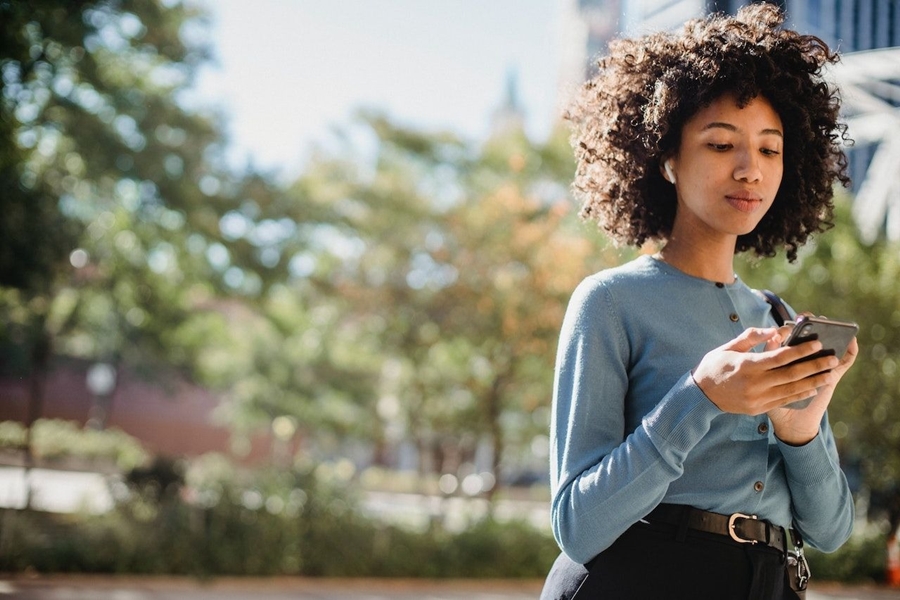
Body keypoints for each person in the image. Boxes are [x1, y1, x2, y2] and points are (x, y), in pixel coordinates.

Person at [541, 5, 858, 599]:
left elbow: (833, 531)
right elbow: (577, 527)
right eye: (720, 144)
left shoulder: (781, 320)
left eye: (770, 150)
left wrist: (801, 430)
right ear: (666, 157)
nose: (749, 170)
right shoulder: (611, 301)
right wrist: (701, 396)